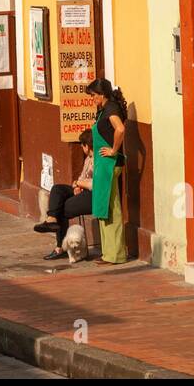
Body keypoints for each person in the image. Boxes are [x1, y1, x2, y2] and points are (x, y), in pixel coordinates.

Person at [86, 78, 129, 265]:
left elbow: (120, 129)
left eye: (94, 96)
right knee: (105, 208)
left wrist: (113, 149)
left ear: (102, 95)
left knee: (112, 209)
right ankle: (108, 253)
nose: (92, 99)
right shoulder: (103, 109)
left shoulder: (111, 109)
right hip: (103, 166)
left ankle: (116, 255)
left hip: (110, 164)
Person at [34, 130, 96, 260]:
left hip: (92, 195)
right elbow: (82, 177)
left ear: (87, 146)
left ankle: (60, 247)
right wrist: (77, 186)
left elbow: (94, 184)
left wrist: (79, 183)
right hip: (81, 190)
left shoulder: (98, 160)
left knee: (61, 208)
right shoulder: (88, 159)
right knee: (57, 189)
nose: (82, 148)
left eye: (82, 145)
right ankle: (51, 218)